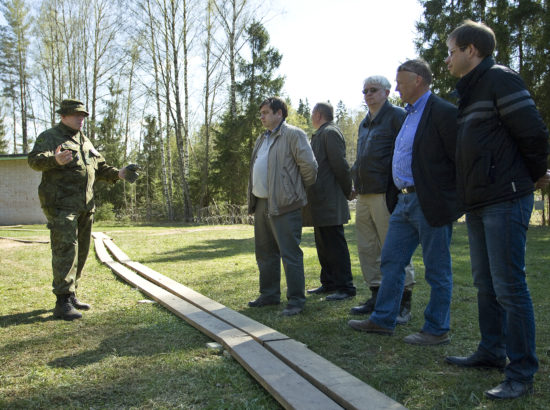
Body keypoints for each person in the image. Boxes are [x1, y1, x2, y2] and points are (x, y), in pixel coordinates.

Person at [444, 20, 550, 400]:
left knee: (509, 287)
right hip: (479, 201)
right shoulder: (470, 92)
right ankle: (492, 351)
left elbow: (534, 133)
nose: (447, 59)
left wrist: (536, 175)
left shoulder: (501, 80)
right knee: (485, 283)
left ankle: (520, 372)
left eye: (452, 51)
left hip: (506, 197)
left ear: (472, 50)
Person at [348, 59, 460, 346]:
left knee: (437, 268)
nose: (396, 87)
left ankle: (436, 329)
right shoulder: (409, 114)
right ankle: (384, 319)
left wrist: (450, 200)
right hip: (403, 201)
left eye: (400, 81)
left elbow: (459, 159)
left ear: (419, 80)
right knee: (391, 260)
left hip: (429, 201)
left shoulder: (442, 112)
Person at [28, 99, 140, 321]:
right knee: (65, 250)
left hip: (85, 206)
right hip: (60, 205)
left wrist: (120, 173)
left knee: (82, 250)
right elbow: (34, 160)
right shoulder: (50, 136)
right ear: (63, 116)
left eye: (83, 116)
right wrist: (55, 159)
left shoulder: (85, 141)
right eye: (76, 115)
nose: (81, 119)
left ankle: (72, 293)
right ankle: (62, 301)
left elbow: (99, 167)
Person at [348, 75, 415, 323]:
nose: (368, 95)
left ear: (387, 92)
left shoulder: (398, 116)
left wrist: (396, 189)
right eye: (364, 91)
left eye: (373, 90)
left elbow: (405, 153)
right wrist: (355, 181)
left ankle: (403, 302)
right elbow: (363, 157)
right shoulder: (364, 123)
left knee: (394, 249)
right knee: (367, 248)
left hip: (386, 193)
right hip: (363, 194)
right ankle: (376, 295)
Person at [247, 97, 318, 316]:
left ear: (279, 113)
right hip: (261, 203)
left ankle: (296, 300)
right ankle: (269, 295)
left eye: (266, 112)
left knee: (289, 253)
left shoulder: (294, 135)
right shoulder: (262, 138)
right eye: (261, 113)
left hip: (285, 204)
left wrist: (292, 191)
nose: (262, 117)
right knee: (265, 252)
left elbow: (310, 168)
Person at [302, 102, 356, 301]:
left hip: (330, 199)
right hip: (319, 200)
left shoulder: (330, 132)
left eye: (312, 114)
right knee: (323, 244)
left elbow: (340, 165)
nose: (311, 117)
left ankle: (345, 287)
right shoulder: (321, 133)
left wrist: (347, 189)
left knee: (335, 245)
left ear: (318, 114)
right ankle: (329, 283)